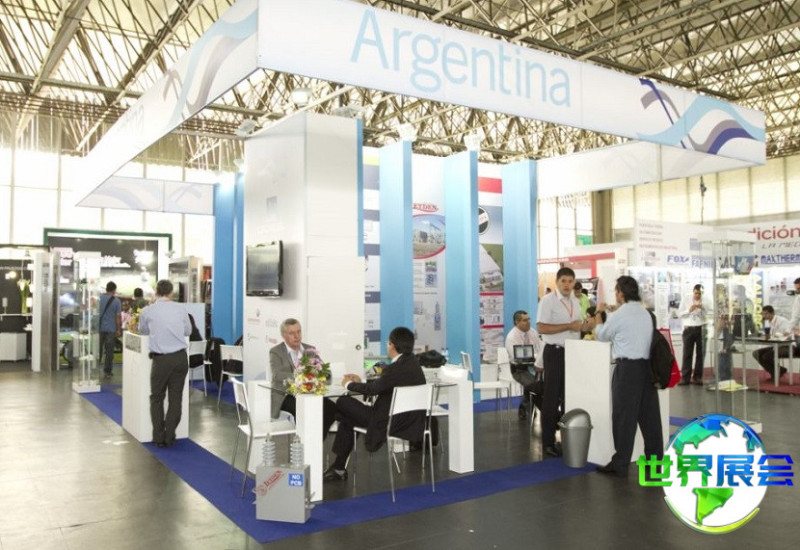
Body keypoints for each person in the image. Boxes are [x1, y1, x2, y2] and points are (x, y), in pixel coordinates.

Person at [323, 326, 426, 481]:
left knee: (343, 402)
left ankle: (338, 466)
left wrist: (348, 384)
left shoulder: (395, 368)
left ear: (392, 345)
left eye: (388, 343)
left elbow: (373, 390)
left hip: (387, 421)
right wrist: (360, 382)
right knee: (349, 417)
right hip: (408, 421)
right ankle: (338, 468)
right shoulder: (412, 364)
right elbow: (384, 385)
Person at [589, 275, 663, 477]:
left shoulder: (619, 315)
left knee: (624, 418)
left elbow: (601, 335)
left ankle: (620, 463)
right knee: (650, 420)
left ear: (620, 293)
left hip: (628, 371)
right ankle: (654, 465)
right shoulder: (646, 313)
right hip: (647, 370)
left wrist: (599, 313)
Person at [536, 267, 586, 458]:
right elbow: (542, 328)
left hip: (573, 352)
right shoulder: (548, 301)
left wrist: (586, 325)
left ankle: (568, 439)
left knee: (569, 397)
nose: (567, 285)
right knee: (551, 398)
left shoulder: (575, 301)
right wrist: (568, 326)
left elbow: (576, 327)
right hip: (555, 353)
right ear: (557, 282)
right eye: (563, 281)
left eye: (570, 281)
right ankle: (548, 442)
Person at [137, 279, 192, 448]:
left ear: (156, 292)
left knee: (157, 398)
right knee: (176, 398)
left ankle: (158, 437)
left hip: (161, 360)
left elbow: (142, 330)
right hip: (180, 359)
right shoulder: (181, 309)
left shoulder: (147, 311)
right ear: (171, 293)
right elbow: (188, 331)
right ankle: (170, 435)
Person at [268, 318, 337, 437]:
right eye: (292, 333)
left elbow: (326, 373)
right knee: (304, 410)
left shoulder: (310, 349)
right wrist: (303, 377)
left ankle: (316, 440)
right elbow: (277, 375)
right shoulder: (276, 351)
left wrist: (319, 375)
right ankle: (304, 442)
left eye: (299, 332)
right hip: (286, 395)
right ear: (284, 335)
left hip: (310, 393)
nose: (297, 336)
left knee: (331, 408)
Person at [504, 310, 542, 420]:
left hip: (535, 366)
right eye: (525, 320)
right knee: (534, 385)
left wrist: (536, 357)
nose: (528, 322)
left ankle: (525, 406)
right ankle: (545, 412)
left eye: (529, 319)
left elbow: (539, 349)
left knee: (543, 383)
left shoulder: (533, 332)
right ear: (517, 322)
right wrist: (534, 356)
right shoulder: (512, 337)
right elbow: (517, 357)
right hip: (519, 369)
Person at [752, 305, 796, 382]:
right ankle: (778, 370)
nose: (764, 316)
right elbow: (770, 334)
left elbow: (786, 334)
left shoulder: (782, 321)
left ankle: (777, 372)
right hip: (776, 345)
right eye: (763, 314)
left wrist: (776, 335)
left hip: (787, 346)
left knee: (766, 356)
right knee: (756, 353)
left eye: (766, 314)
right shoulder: (769, 322)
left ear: (772, 313)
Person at [678, 284, 709, 385]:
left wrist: (703, 308)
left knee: (700, 354)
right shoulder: (686, 299)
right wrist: (689, 310)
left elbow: (709, 315)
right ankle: (685, 378)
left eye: (700, 294)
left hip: (701, 328)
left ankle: (697, 377)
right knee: (687, 353)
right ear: (693, 291)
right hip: (689, 329)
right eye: (696, 293)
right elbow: (679, 314)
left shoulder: (705, 300)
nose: (698, 295)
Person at [98, 281, 122, 378]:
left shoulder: (99, 299)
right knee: (109, 351)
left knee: (98, 350)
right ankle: (107, 372)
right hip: (111, 329)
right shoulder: (116, 301)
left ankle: (95, 369)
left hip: (99, 328)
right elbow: (118, 317)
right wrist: (118, 329)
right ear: (114, 290)